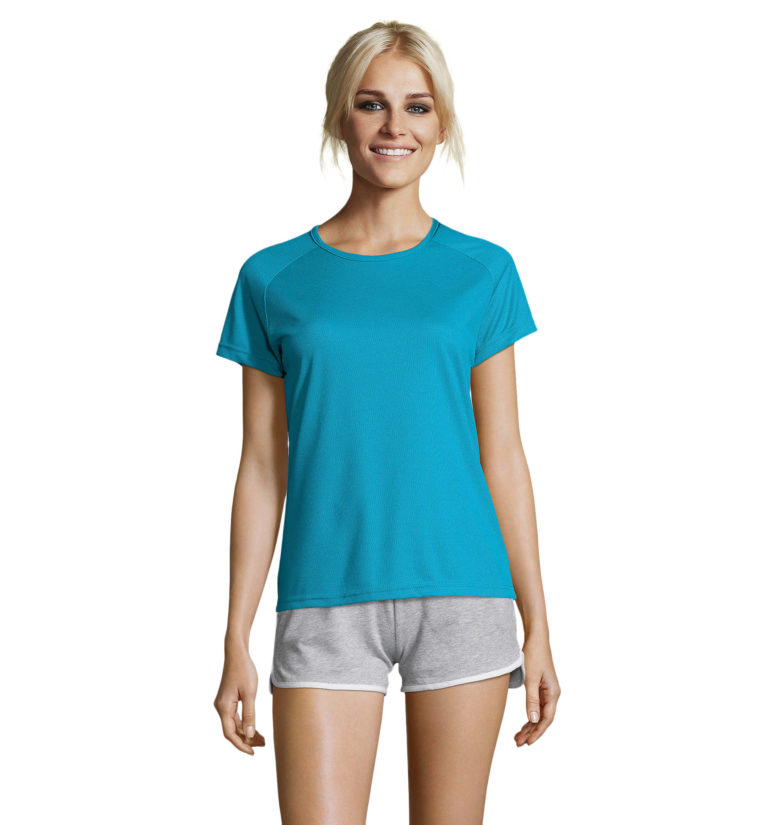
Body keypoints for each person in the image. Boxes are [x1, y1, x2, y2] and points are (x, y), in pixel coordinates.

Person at [213, 19, 560, 824]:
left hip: (464, 591)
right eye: (372, 104)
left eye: (417, 106)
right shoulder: (272, 277)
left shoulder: (483, 272)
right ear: (341, 116)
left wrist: (539, 622)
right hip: (323, 596)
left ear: (442, 125)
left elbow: (503, 455)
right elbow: (261, 465)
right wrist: (235, 634)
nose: (394, 126)